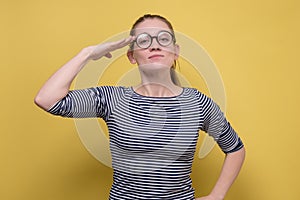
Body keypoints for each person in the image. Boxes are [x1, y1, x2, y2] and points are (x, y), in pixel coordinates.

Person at [34, 14, 245, 200]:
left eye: (163, 39)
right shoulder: (112, 99)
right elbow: (47, 99)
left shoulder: (197, 103)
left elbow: (235, 148)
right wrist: (87, 54)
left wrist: (217, 196)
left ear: (175, 51)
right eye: (144, 41)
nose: (155, 45)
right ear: (132, 56)